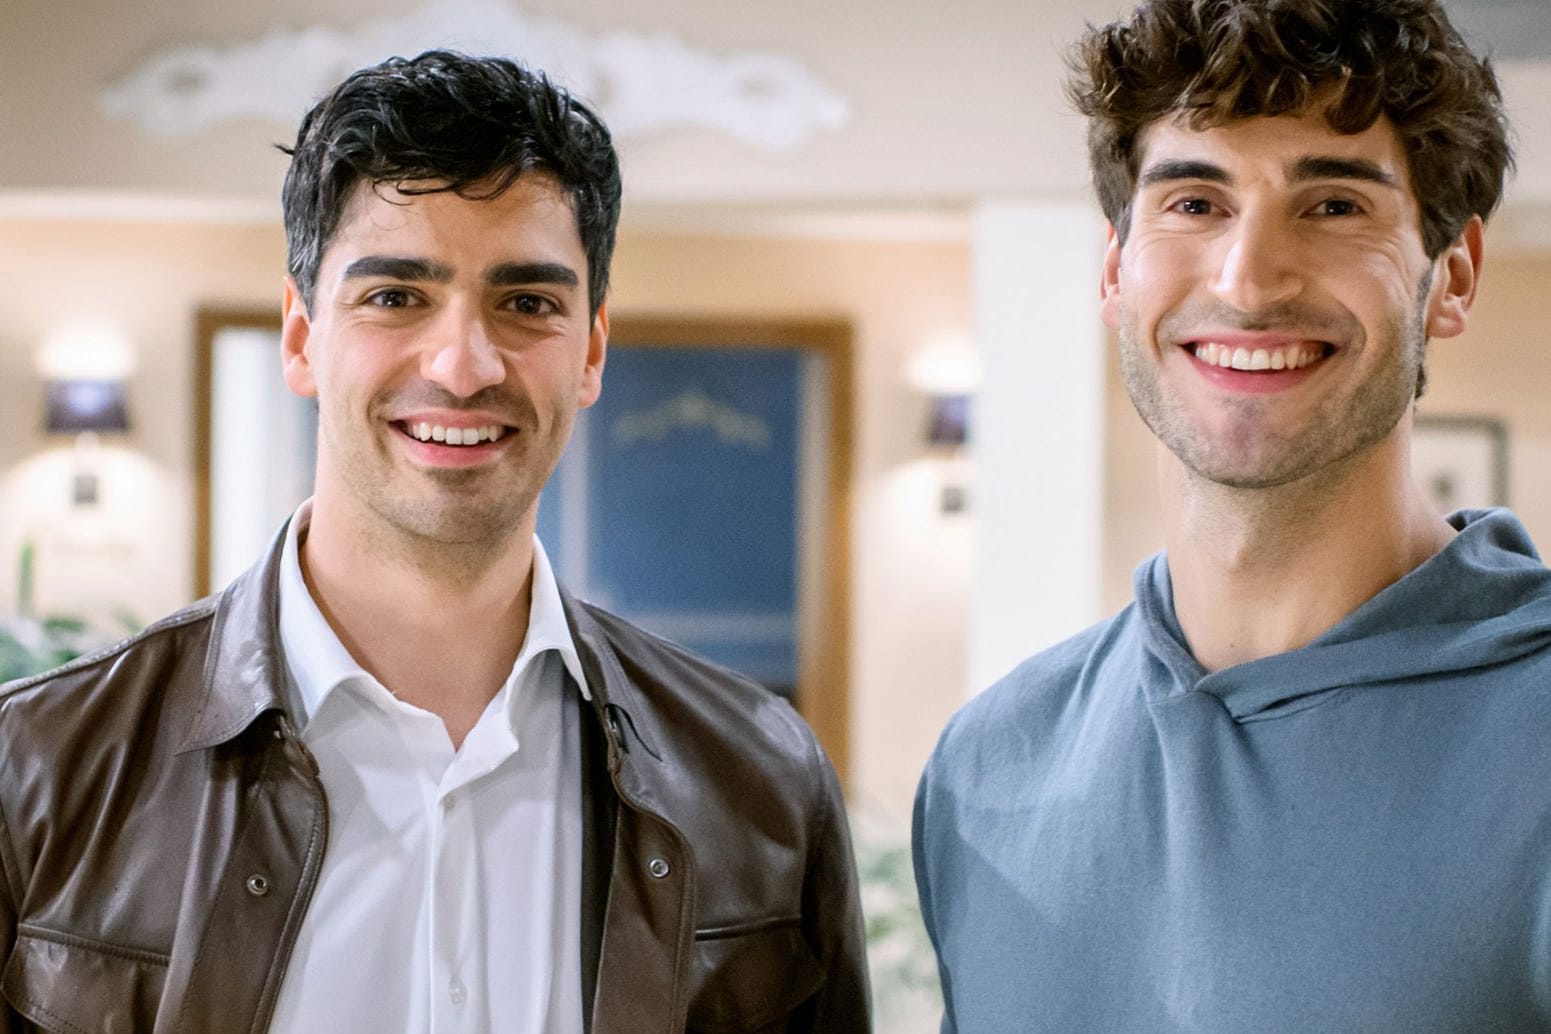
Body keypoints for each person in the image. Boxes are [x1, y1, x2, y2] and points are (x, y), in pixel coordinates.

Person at [0, 51, 868, 1033]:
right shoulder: (36, 770)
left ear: (590, 349)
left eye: (528, 302)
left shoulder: (759, 782)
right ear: (300, 336)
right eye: (395, 296)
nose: (463, 365)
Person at [913, 1, 1546, 1030]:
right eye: (1194, 203)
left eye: (1335, 205)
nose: (1248, 279)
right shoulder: (989, 763)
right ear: (1116, 268)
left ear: (1452, 278)